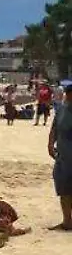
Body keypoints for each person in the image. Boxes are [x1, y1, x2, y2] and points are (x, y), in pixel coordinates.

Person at [49, 80, 72, 231]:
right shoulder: (62, 109)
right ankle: (67, 222)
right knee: (63, 189)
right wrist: (50, 144)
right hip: (63, 157)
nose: (67, 97)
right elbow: (54, 128)